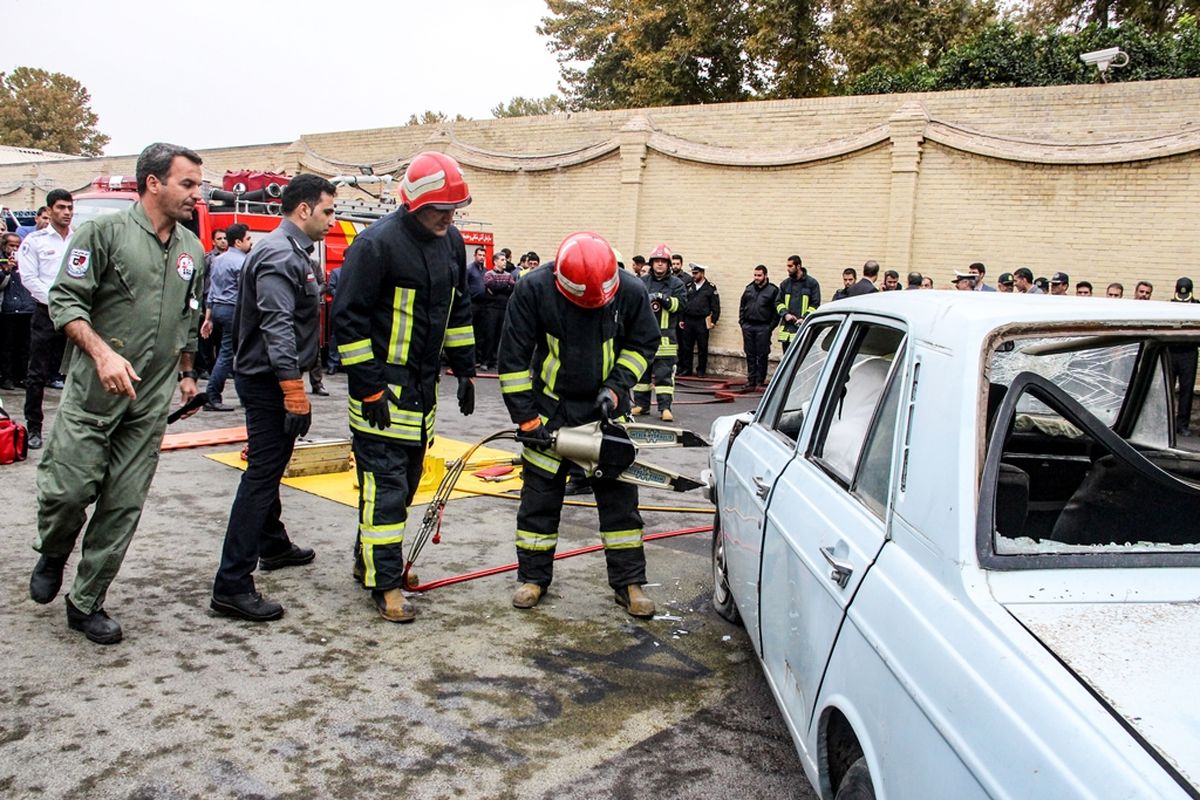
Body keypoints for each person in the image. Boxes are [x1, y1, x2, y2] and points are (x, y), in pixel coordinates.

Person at [28, 143, 207, 644]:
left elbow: (189, 316)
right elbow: (65, 299)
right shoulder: (101, 233)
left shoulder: (192, 250)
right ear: (154, 183)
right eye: (187, 184)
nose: (197, 193)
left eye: (198, 184)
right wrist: (102, 354)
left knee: (123, 502)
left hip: (148, 402)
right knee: (69, 492)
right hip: (93, 394)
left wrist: (187, 372)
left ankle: (86, 602)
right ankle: (54, 548)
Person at [333, 151, 477, 623]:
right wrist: (369, 388)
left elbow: (457, 310)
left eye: (453, 210)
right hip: (382, 395)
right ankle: (386, 583)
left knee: (405, 485)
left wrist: (466, 369)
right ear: (414, 203)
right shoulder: (375, 246)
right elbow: (349, 321)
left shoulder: (450, 242)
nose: (447, 218)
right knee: (386, 488)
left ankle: (371, 560)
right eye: (439, 209)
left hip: (422, 394)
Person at [499, 231, 660, 617]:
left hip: (606, 412)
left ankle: (629, 584)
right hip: (550, 411)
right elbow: (513, 360)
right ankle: (533, 578)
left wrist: (616, 389)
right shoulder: (534, 289)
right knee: (539, 500)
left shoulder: (630, 291)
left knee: (620, 502)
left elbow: (643, 345)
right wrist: (526, 419)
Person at [209, 174, 337, 623]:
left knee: (271, 463)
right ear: (303, 210)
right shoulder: (280, 253)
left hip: (270, 377)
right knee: (263, 474)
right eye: (327, 211)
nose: (332, 220)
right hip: (268, 381)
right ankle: (231, 584)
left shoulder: (290, 250)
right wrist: (292, 388)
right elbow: (276, 324)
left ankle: (273, 544)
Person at [18, 189, 74, 450]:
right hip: (46, 312)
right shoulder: (35, 241)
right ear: (49, 210)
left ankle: (75, 429)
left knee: (78, 372)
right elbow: (29, 279)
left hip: (76, 313)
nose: (66, 212)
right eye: (61, 207)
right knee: (37, 373)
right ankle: (34, 427)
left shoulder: (78, 240)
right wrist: (56, 303)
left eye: (69, 207)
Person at [200, 223, 251, 412]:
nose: (250, 242)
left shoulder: (218, 260)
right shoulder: (242, 262)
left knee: (236, 353)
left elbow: (212, 290)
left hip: (219, 309)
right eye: (248, 239)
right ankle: (212, 395)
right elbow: (246, 292)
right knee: (228, 354)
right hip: (233, 310)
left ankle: (245, 397)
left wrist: (209, 317)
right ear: (238, 242)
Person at [632, 243, 685, 421]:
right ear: (652, 263)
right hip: (644, 337)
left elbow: (680, 305)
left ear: (669, 264)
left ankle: (665, 408)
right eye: (657, 261)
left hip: (665, 338)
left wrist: (663, 298)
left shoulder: (676, 284)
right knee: (642, 374)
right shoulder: (642, 282)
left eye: (663, 261)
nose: (660, 265)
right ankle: (641, 405)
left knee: (664, 376)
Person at [1, 233, 35, 389]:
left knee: (24, 345)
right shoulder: (3, 262)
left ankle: (21, 376)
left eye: (17, 246)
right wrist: (7, 270)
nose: (14, 249)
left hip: (26, 308)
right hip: (8, 309)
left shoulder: (25, 261)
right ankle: (7, 377)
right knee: (7, 345)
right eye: (11, 245)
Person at [739, 264, 780, 389]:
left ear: (765, 276)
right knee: (750, 354)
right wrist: (742, 323)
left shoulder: (773, 290)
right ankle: (751, 380)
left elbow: (776, 311)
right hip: (749, 326)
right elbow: (742, 306)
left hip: (763, 326)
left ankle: (760, 380)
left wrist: (770, 327)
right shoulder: (749, 288)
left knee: (762, 355)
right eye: (755, 275)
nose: (756, 278)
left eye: (759, 275)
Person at [677, 262, 720, 377]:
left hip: (702, 321)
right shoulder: (688, 285)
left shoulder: (710, 287)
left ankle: (701, 370)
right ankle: (687, 369)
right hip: (688, 320)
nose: (694, 275)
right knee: (686, 347)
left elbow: (715, 306)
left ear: (702, 273)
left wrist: (713, 321)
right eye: (693, 273)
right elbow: (683, 303)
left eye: (696, 273)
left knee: (702, 346)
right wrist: (681, 319)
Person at [1169, 277, 1199, 436]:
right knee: (1166, 389)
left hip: (1189, 352)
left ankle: (1182, 424)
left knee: (1186, 390)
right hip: (1171, 350)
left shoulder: (1196, 306)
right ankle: (1165, 422)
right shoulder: (1169, 305)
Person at [479, 251, 516, 371]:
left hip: (503, 308)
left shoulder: (509, 275)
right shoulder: (488, 274)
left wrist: (500, 288)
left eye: (505, 260)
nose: (505, 262)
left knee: (499, 336)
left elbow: (512, 288)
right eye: (502, 260)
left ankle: (495, 360)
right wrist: (504, 287)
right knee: (489, 335)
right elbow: (491, 287)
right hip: (491, 309)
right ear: (495, 262)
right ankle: (485, 361)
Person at [776, 254, 820, 351]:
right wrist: (785, 314)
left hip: (803, 329)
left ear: (798, 266)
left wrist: (804, 318)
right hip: (787, 331)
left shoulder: (812, 284)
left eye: (790, 266)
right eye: (787, 266)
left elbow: (815, 304)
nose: (788, 269)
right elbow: (778, 302)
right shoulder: (785, 284)